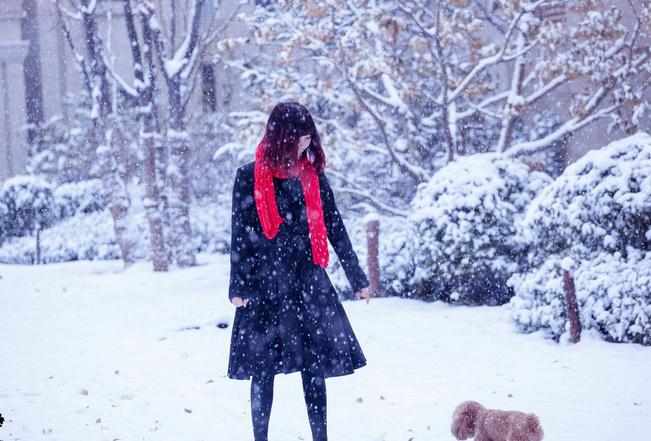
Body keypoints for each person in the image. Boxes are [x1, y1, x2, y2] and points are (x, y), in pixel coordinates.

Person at [226, 101, 371, 441]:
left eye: (310, 137)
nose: (307, 143)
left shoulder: (312, 176)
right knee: (262, 371)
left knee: (314, 367)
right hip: (264, 286)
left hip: (308, 283)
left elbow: (334, 226)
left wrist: (357, 277)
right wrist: (238, 286)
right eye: (300, 137)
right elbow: (240, 234)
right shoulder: (249, 176)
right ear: (282, 137)